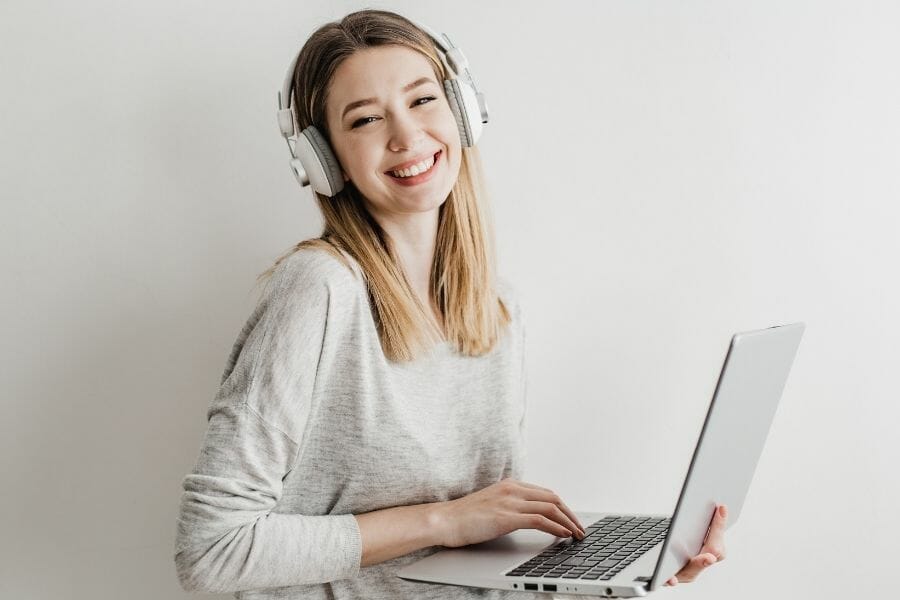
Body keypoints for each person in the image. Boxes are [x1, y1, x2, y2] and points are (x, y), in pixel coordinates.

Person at [174, 9, 727, 599]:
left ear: (462, 110)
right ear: (324, 159)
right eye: (364, 119)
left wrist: (623, 572)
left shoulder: (495, 308)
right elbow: (210, 551)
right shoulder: (319, 290)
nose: (407, 137)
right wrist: (445, 519)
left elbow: (472, 559)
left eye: (422, 101)